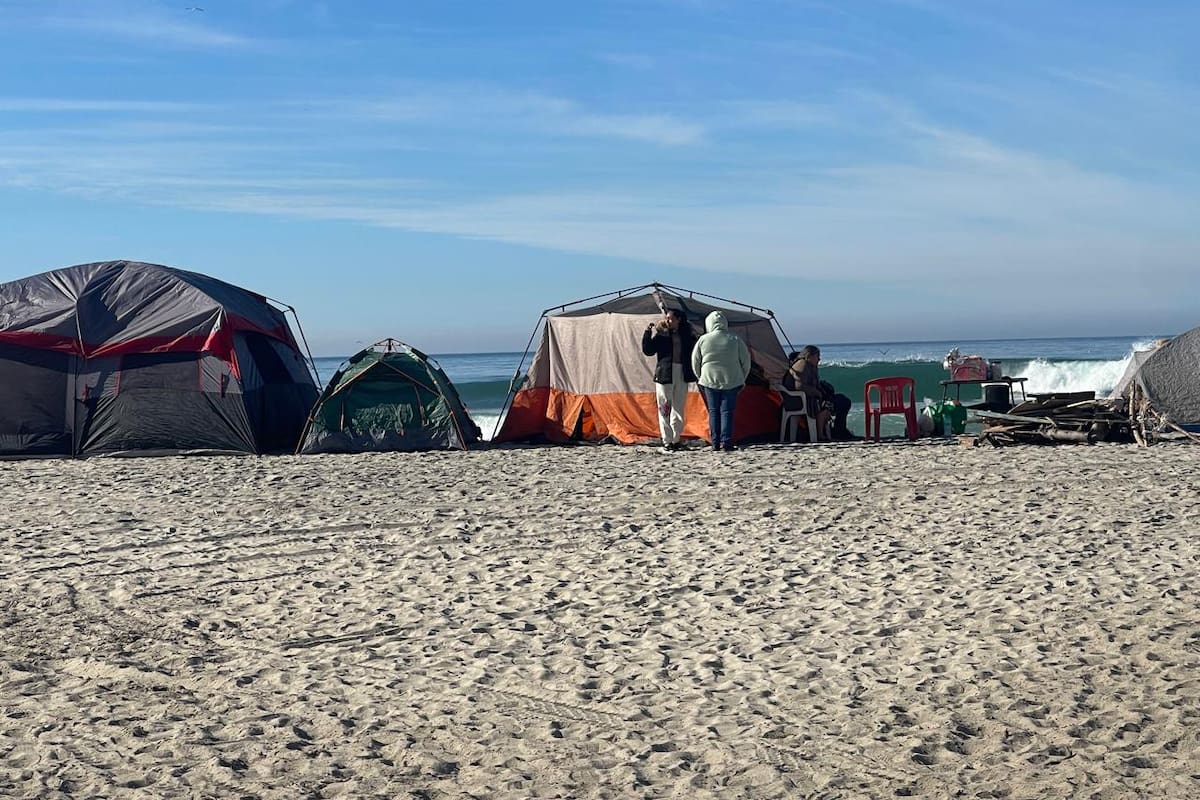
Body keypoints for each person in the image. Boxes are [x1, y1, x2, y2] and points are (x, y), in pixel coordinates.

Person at [691, 310, 751, 451]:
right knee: (727, 412)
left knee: (713, 412)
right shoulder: (735, 339)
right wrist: (742, 378)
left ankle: (715, 443)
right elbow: (745, 361)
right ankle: (727, 442)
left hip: (708, 380)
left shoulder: (703, 340)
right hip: (732, 380)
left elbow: (695, 361)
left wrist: (700, 377)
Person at [641, 307, 697, 451]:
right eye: (667, 318)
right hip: (665, 372)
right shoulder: (662, 335)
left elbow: (694, 350)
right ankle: (667, 440)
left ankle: (676, 438)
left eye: (671, 318)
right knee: (665, 407)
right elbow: (648, 350)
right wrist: (648, 333)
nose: (668, 320)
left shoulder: (687, 335)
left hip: (682, 372)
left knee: (679, 406)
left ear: (679, 320)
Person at [783, 345, 858, 441]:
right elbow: (800, 386)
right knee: (834, 403)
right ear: (809, 356)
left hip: (807, 398)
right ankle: (825, 433)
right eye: (817, 356)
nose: (819, 359)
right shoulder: (802, 365)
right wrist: (818, 393)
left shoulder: (809, 366)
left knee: (842, 400)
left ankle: (838, 430)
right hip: (799, 401)